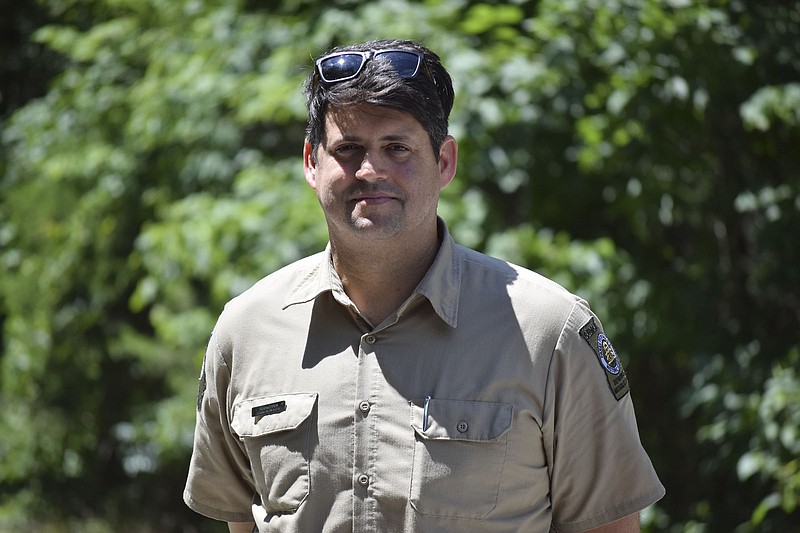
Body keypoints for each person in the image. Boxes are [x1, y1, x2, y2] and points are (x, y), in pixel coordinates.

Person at [183, 39, 665, 533]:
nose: (371, 170)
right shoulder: (246, 331)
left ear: (444, 162)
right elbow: (240, 518)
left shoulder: (548, 332)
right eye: (348, 149)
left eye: (398, 148)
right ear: (311, 161)